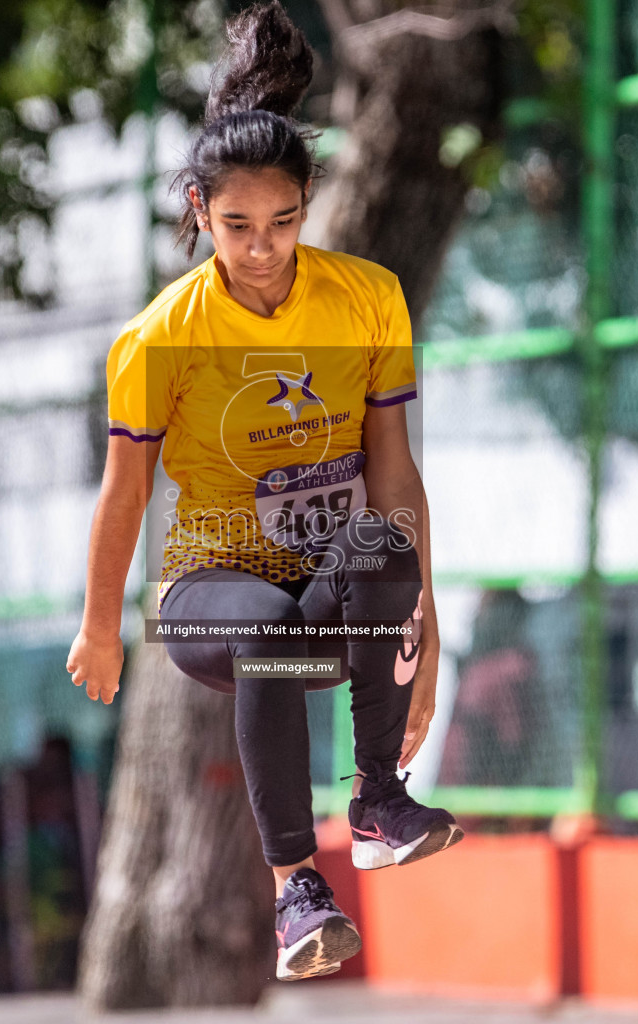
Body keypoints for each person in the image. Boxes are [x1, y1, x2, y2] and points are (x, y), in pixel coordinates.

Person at [65, 1, 460, 982]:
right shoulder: (161, 336)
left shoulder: (367, 296)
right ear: (199, 212)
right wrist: (98, 624)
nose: (260, 248)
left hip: (329, 590)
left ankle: (378, 797)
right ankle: (297, 885)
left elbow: (394, 468)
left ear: (309, 203)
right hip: (214, 591)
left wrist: (424, 614)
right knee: (268, 634)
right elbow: (123, 494)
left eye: (283, 223)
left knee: (381, 541)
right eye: (236, 226)